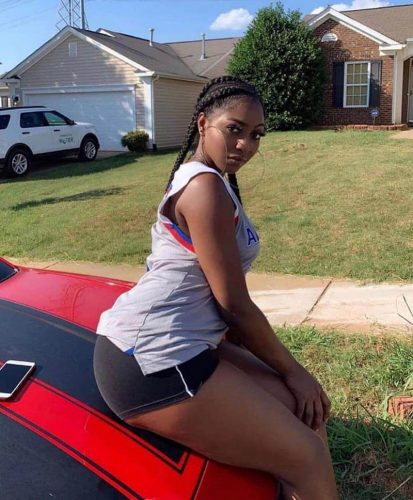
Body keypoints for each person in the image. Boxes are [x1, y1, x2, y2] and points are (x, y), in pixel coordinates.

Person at [93, 75, 338, 500]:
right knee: (308, 455)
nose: (245, 145)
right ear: (203, 123)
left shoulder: (212, 179)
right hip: (152, 362)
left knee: (307, 414)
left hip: (185, 344)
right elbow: (234, 305)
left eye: (256, 135)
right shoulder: (203, 188)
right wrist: (294, 370)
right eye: (234, 129)